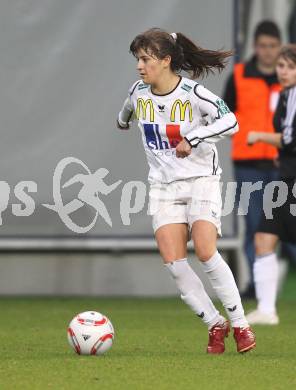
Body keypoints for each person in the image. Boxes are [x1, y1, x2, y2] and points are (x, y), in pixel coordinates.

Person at [117, 28, 255, 354]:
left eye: (146, 59)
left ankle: (240, 325)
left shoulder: (193, 93)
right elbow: (125, 112)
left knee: (206, 251)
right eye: (137, 59)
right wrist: (122, 121)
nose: (139, 65)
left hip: (201, 182)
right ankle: (214, 324)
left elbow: (230, 121)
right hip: (163, 187)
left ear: (165, 61)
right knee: (174, 262)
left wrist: (193, 138)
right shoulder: (139, 92)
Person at [223, 21, 282, 298]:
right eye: (263, 46)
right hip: (247, 165)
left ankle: (266, 286)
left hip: (284, 164)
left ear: (280, 47)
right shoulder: (238, 76)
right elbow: (224, 116)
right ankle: (258, 286)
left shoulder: (289, 76)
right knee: (254, 226)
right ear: (255, 47)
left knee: (286, 226)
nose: (267, 52)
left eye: (272, 46)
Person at [247, 44, 296, 324]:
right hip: (286, 178)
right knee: (264, 237)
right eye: (281, 66)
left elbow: (289, 140)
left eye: (290, 67)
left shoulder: (292, 95)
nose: (284, 72)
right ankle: (266, 310)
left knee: (265, 236)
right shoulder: (286, 96)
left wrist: (259, 136)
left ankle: (267, 309)